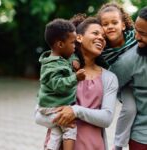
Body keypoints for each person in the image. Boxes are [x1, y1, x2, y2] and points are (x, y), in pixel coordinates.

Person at [44, 16, 118, 150]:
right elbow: (44, 105)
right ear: (79, 37)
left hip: (93, 146)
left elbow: (106, 118)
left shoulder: (109, 77)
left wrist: (75, 110)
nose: (101, 38)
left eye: (103, 36)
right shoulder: (62, 69)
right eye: (95, 33)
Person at [35, 18, 86, 150]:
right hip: (51, 105)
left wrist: (74, 60)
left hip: (52, 104)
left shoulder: (62, 57)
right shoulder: (51, 66)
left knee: (56, 131)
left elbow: (70, 57)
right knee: (70, 127)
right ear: (60, 44)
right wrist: (75, 77)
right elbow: (58, 85)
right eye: (73, 43)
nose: (75, 47)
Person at [96, 3, 138, 150]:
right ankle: (119, 144)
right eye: (105, 24)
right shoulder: (102, 49)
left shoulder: (134, 36)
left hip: (141, 76)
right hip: (126, 85)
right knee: (130, 108)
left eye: (115, 22)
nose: (110, 26)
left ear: (124, 25)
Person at [110, 6, 147, 150]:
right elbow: (108, 87)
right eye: (136, 31)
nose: (137, 37)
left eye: (143, 33)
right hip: (142, 140)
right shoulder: (127, 62)